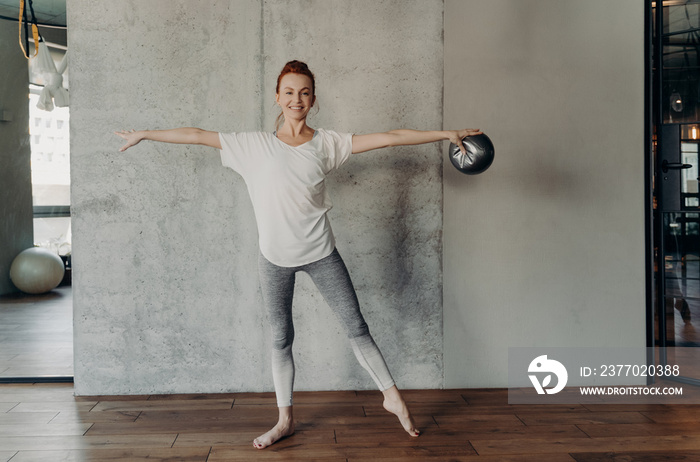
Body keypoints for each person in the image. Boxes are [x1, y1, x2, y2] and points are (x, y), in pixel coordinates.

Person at [115, 60, 481, 449]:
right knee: (281, 338)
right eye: (289, 92)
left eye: (304, 92)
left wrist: (446, 133)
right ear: (277, 97)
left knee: (357, 328)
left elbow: (390, 137)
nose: (296, 99)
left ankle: (391, 396)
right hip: (273, 259)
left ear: (313, 100)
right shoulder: (251, 145)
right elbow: (196, 134)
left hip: (321, 253)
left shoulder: (327, 143)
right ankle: (284, 419)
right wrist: (145, 134)